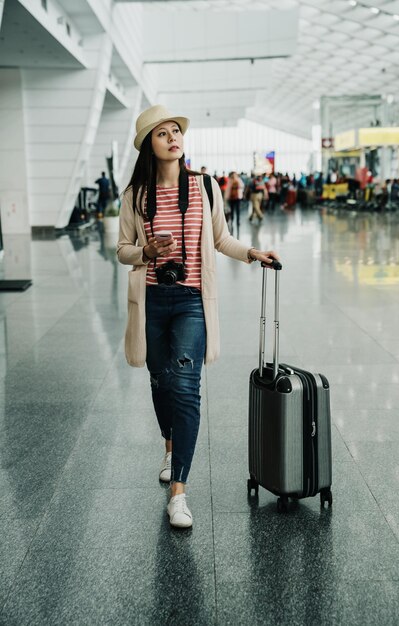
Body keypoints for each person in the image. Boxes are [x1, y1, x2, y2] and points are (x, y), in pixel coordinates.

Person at [117, 105, 279, 529]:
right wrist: (147, 252)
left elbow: (221, 238)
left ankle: (179, 493)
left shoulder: (205, 186)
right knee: (159, 380)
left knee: (185, 387)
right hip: (151, 299)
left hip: (191, 301)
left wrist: (251, 253)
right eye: (162, 134)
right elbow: (122, 250)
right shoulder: (135, 195)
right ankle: (170, 447)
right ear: (149, 146)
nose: (173, 138)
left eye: (176, 131)